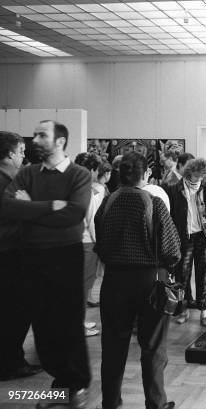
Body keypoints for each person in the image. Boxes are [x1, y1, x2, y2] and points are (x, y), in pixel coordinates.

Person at [1, 120, 92, 408]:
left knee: (65, 323)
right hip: (32, 254)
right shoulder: (27, 173)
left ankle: (73, 386)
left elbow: (74, 215)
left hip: (65, 254)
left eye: (42, 135)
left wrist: (29, 209)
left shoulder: (78, 175)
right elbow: (7, 205)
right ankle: (62, 388)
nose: (35, 139)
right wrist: (52, 205)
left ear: (61, 142)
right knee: (42, 326)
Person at [94, 152, 180, 409]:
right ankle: (156, 403)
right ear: (146, 175)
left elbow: (100, 242)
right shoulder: (154, 203)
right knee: (152, 346)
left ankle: (110, 402)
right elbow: (172, 251)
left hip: (113, 281)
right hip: (148, 281)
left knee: (112, 345)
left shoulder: (107, 202)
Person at [0, 131, 43, 381]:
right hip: (10, 256)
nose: (23, 156)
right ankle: (11, 363)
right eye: (20, 151)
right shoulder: (8, 184)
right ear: (8, 154)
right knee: (16, 312)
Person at [167, 158, 206, 326]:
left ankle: (204, 311)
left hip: (203, 237)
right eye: (199, 175)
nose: (201, 178)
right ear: (191, 172)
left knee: (204, 274)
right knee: (183, 274)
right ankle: (184, 309)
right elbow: (171, 214)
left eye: (204, 175)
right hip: (184, 237)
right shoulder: (176, 188)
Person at [79, 153, 106, 335]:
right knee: (84, 284)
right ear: (93, 170)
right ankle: (78, 324)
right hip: (87, 242)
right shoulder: (86, 189)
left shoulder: (74, 185)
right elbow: (92, 221)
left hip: (75, 241)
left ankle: (79, 321)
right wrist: (101, 245)